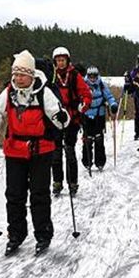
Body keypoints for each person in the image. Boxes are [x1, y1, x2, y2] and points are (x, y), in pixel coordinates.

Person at [0, 50, 68, 257]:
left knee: (39, 195)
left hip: (41, 150)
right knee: (14, 195)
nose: (17, 78)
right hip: (15, 151)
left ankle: (43, 234)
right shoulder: (9, 91)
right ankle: (16, 234)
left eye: (21, 74)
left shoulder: (44, 91)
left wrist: (62, 117)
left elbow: (61, 118)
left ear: (31, 75)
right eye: (15, 74)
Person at [47, 46, 90, 197]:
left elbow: (85, 93)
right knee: (56, 153)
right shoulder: (51, 75)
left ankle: (72, 183)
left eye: (62, 60)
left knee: (70, 152)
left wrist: (83, 105)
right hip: (56, 119)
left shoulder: (74, 75)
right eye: (58, 60)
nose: (60, 63)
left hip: (72, 119)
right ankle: (57, 182)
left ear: (67, 60)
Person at [81, 66, 118, 173]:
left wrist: (113, 105)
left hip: (99, 115)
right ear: (87, 76)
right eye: (90, 76)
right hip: (86, 116)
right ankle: (87, 162)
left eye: (94, 76)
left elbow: (109, 96)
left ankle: (100, 162)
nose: (92, 78)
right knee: (87, 139)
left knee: (98, 139)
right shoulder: (83, 85)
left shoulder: (101, 85)